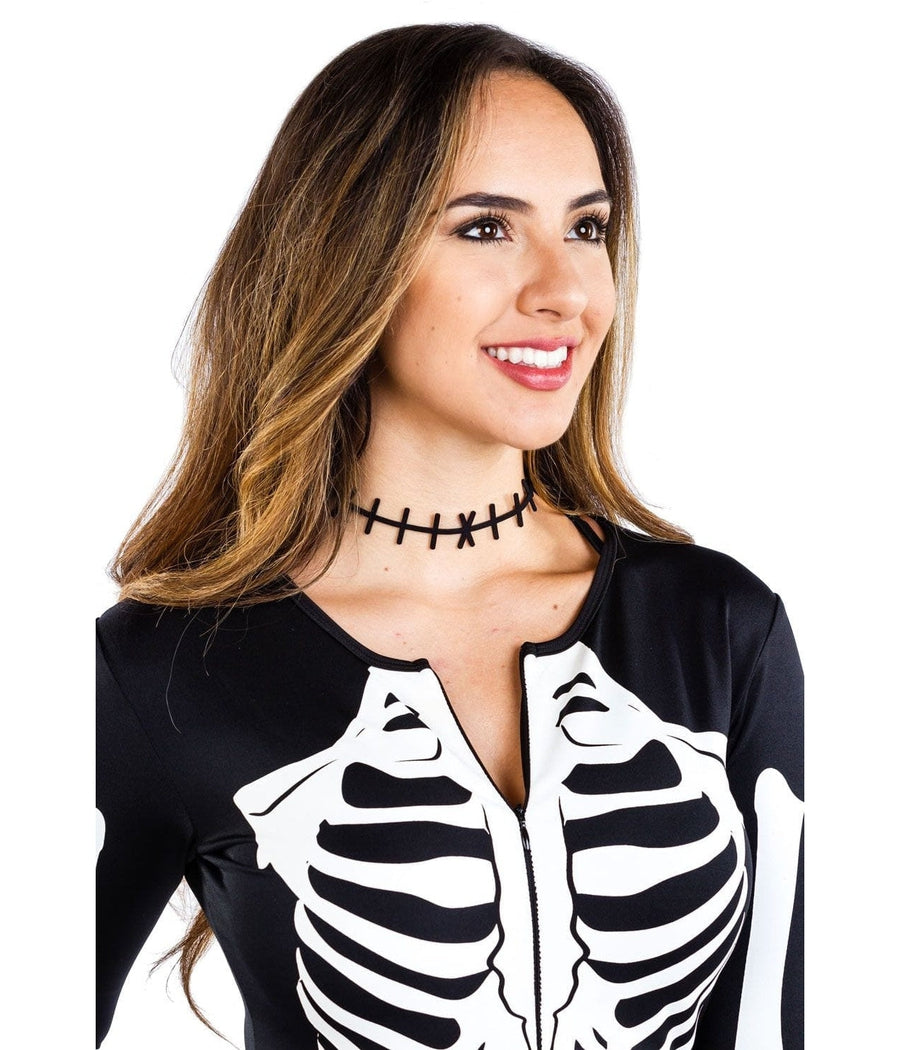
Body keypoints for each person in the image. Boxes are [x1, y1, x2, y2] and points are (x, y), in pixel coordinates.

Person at [96, 23, 803, 1050]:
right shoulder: (162, 672)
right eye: (486, 228)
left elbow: (781, 1017)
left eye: (588, 228)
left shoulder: (722, 630)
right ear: (349, 259)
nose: (565, 292)